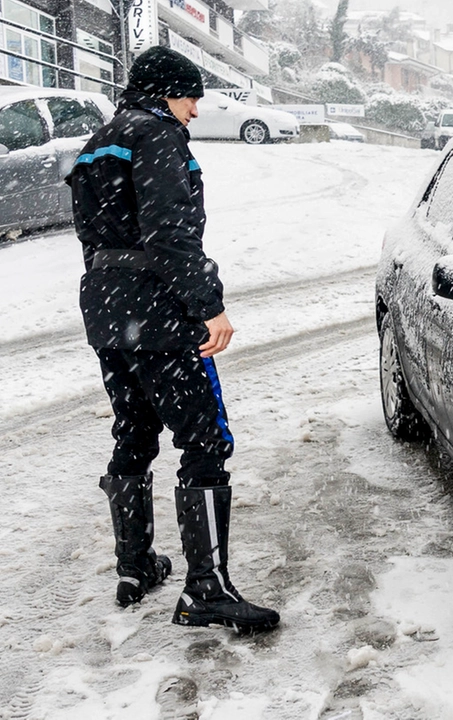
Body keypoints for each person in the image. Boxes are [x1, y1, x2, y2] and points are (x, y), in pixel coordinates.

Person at [68, 45, 278, 632]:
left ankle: (134, 565)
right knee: (205, 441)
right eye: (191, 97)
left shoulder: (99, 140)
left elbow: (96, 233)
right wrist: (208, 307)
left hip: (108, 310)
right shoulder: (158, 135)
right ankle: (205, 591)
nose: (194, 110)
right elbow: (171, 232)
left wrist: (117, 299)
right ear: (167, 92)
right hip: (157, 313)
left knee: (134, 430)